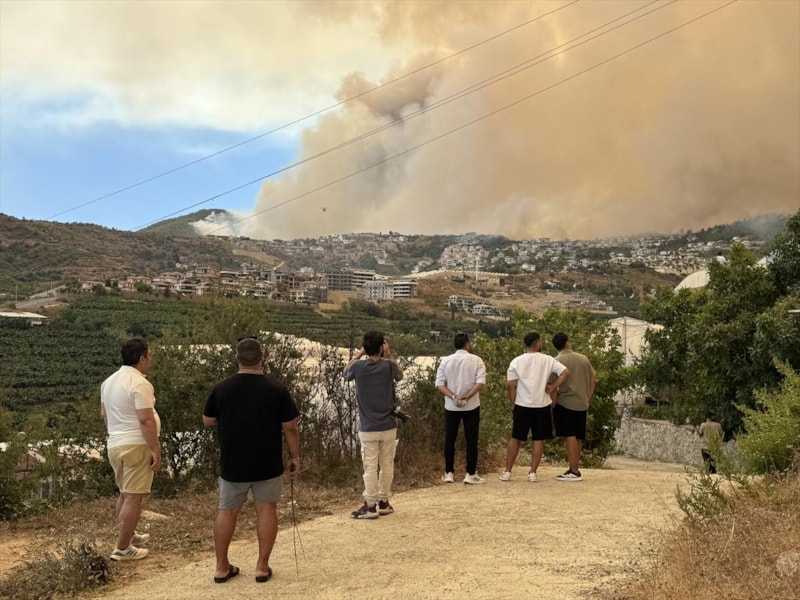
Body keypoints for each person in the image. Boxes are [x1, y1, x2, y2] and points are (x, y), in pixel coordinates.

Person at [203, 336, 300, 584]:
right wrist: (294, 456)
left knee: (227, 512)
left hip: (232, 462)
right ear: (262, 357)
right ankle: (262, 567)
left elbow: (208, 420)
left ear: (236, 358)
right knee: (266, 509)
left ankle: (221, 567)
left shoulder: (222, 388)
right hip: (267, 462)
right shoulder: (276, 389)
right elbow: (290, 426)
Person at [100, 338, 161, 561]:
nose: (151, 360)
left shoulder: (108, 382)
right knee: (134, 498)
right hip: (136, 444)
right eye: (149, 356)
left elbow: (104, 415)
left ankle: (129, 534)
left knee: (125, 494)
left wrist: (116, 435)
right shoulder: (139, 383)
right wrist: (155, 448)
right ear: (142, 358)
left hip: (116, 443)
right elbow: (145, 419)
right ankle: (123, 548)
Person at [345, 331, 404, 519]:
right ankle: (383, 501)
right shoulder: (388, 366)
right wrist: (390, 354)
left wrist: (359, 354)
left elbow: (346, 372)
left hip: (368, 426)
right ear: (381, 348)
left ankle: (370, 505)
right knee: (387, 465)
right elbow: (400, 375)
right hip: (388, 425)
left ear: (366, 348)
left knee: (370, 466)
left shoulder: (358, 368)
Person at [500, 333, 570, 483]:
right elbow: (565, 372)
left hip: (522, 404)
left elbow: (511, 385)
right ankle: (532, 472)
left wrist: (513, 402)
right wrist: (553, 387)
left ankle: (507, 471)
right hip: (541, 404)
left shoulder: (516, 361)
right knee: (538, 439)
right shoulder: (548, 359)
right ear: (538, 343)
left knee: (516, 438)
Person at [435, 333, 487, 484]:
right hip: (471, 406)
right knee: (471, 440)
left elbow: (439, 384)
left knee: (450, 439)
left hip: (451, 406)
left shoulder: (446, 361)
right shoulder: (477, 360)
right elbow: (480, 382)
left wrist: (453, 396)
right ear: (467, 344)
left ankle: (449, 472)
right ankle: (470, 473)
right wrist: (467, 397)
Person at [551, 332, 597, 482]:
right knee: (578, 436)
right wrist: (587, 396)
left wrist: (554, 402)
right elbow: (593, 379)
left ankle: (574, 470)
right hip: (582, 402)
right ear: (567, 342)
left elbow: (552, 385)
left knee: (569, 435)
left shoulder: (557, 361)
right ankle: (575, 467)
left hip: (565, 402)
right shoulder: (583, 358)